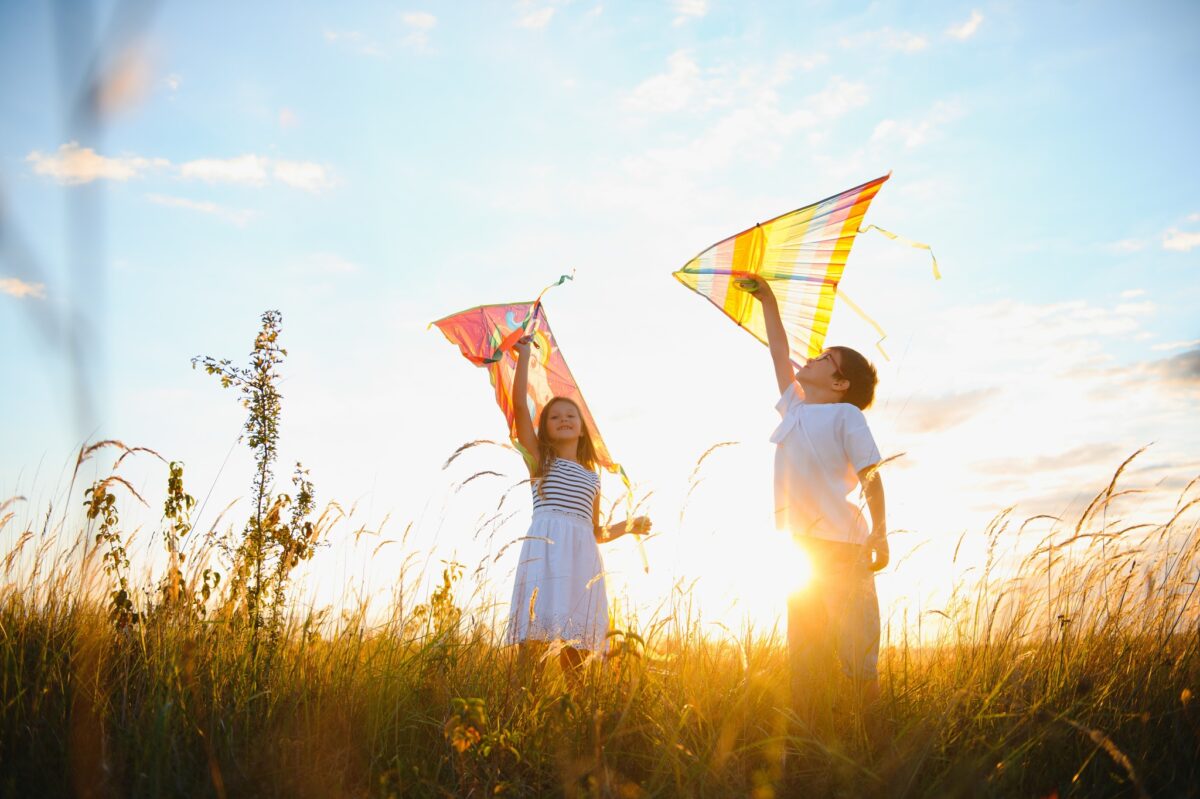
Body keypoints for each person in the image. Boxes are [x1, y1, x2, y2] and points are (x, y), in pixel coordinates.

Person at [743, 279, 888, 736]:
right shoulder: (797, 409)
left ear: (840, 383)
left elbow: (871, 475)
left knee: (858, 650)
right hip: (802, 549)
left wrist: (880, 533)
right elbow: (777, 350)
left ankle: (874, 733)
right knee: (804, 650)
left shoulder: (847, 415)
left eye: (827, 358)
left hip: (844, 547)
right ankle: (811, 739)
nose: (816, 356)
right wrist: (767, 299)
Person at [507, 334, 651, 688]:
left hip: (581, 561)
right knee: (535, 637)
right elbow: (521, 408)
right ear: (545, 428)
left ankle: (577, 714)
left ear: (583, 427)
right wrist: (524, 357)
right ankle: (521, 705)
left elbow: (596, 532)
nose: (564, 418)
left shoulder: (592, 477)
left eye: (571, 414)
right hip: (546, 553)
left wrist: (630, 526)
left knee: (578, 643)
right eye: (555, 416)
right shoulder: (541, 462)